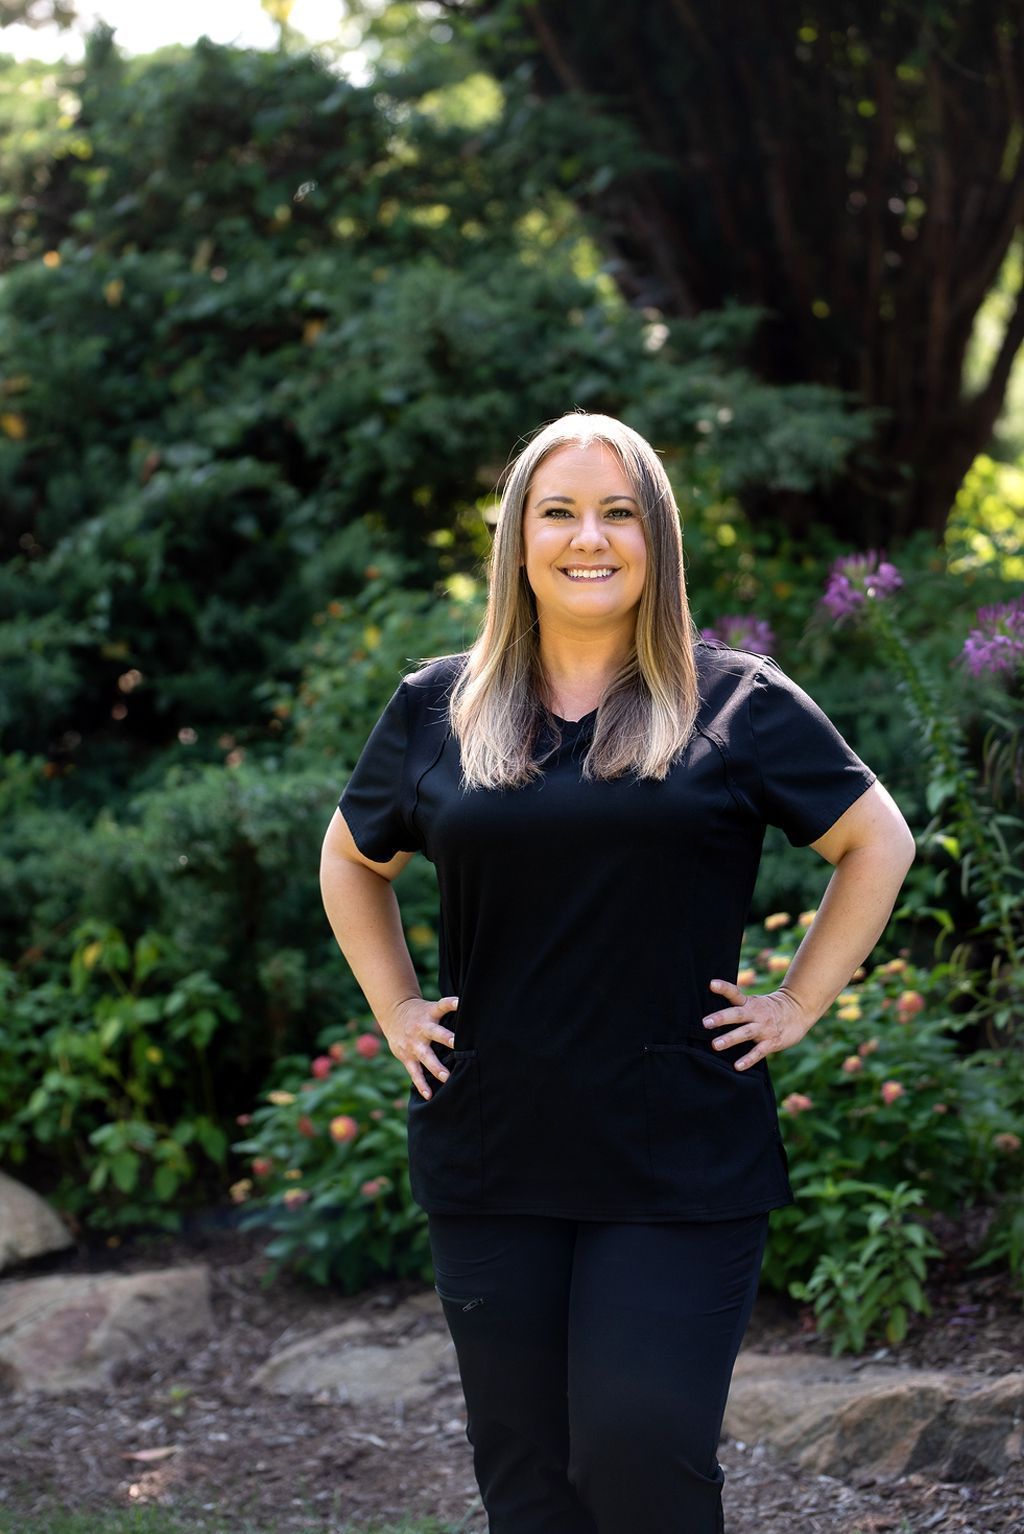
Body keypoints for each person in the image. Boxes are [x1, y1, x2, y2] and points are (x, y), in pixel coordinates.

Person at [319, 411, 915, 1534]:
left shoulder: (738, 701)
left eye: (617, 512)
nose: (587, 537)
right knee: (530, 1482)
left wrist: (797, 1002)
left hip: (678, 1149)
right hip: (494, 1144)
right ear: (518, 540)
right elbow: (352, 859)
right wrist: (397, 1006)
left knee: (637, 1451)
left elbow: (876, 839)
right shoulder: (438, 707)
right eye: (558, 511)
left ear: (656, 540)